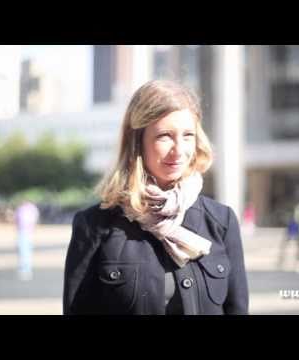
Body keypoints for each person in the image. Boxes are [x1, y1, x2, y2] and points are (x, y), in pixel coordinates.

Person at [63, 80, 249, 315]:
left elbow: (237, 309)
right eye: (165, 136)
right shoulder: (94, 226)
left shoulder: (222, 222)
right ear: (137, 142)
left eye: (188, 135)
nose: (179, 150)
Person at [14, 200, 40, 281]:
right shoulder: (32, 208)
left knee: (24, 251)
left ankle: (25, 269)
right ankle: (26, 269)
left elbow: (17, 219)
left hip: (24, 232)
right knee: (26, 251)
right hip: (27, 231)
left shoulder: (24, 209)